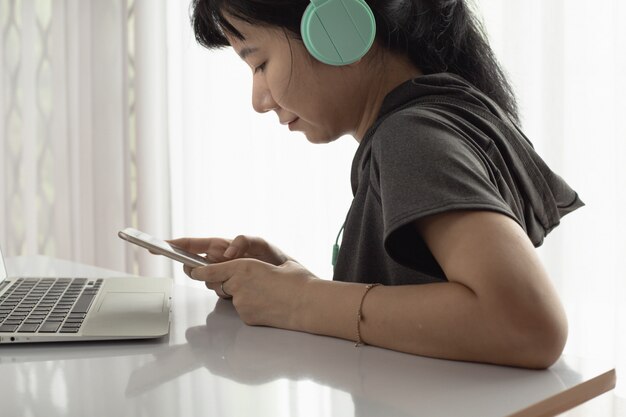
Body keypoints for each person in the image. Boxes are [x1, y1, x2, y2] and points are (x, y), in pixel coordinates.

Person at [170, 0, 584, 369]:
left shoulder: (411, 136)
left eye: (259, 64)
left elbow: (528, 325)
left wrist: (302, 300)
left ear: (337, 26)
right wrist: (288, 284)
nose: (258, 100)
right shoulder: (436, 116)